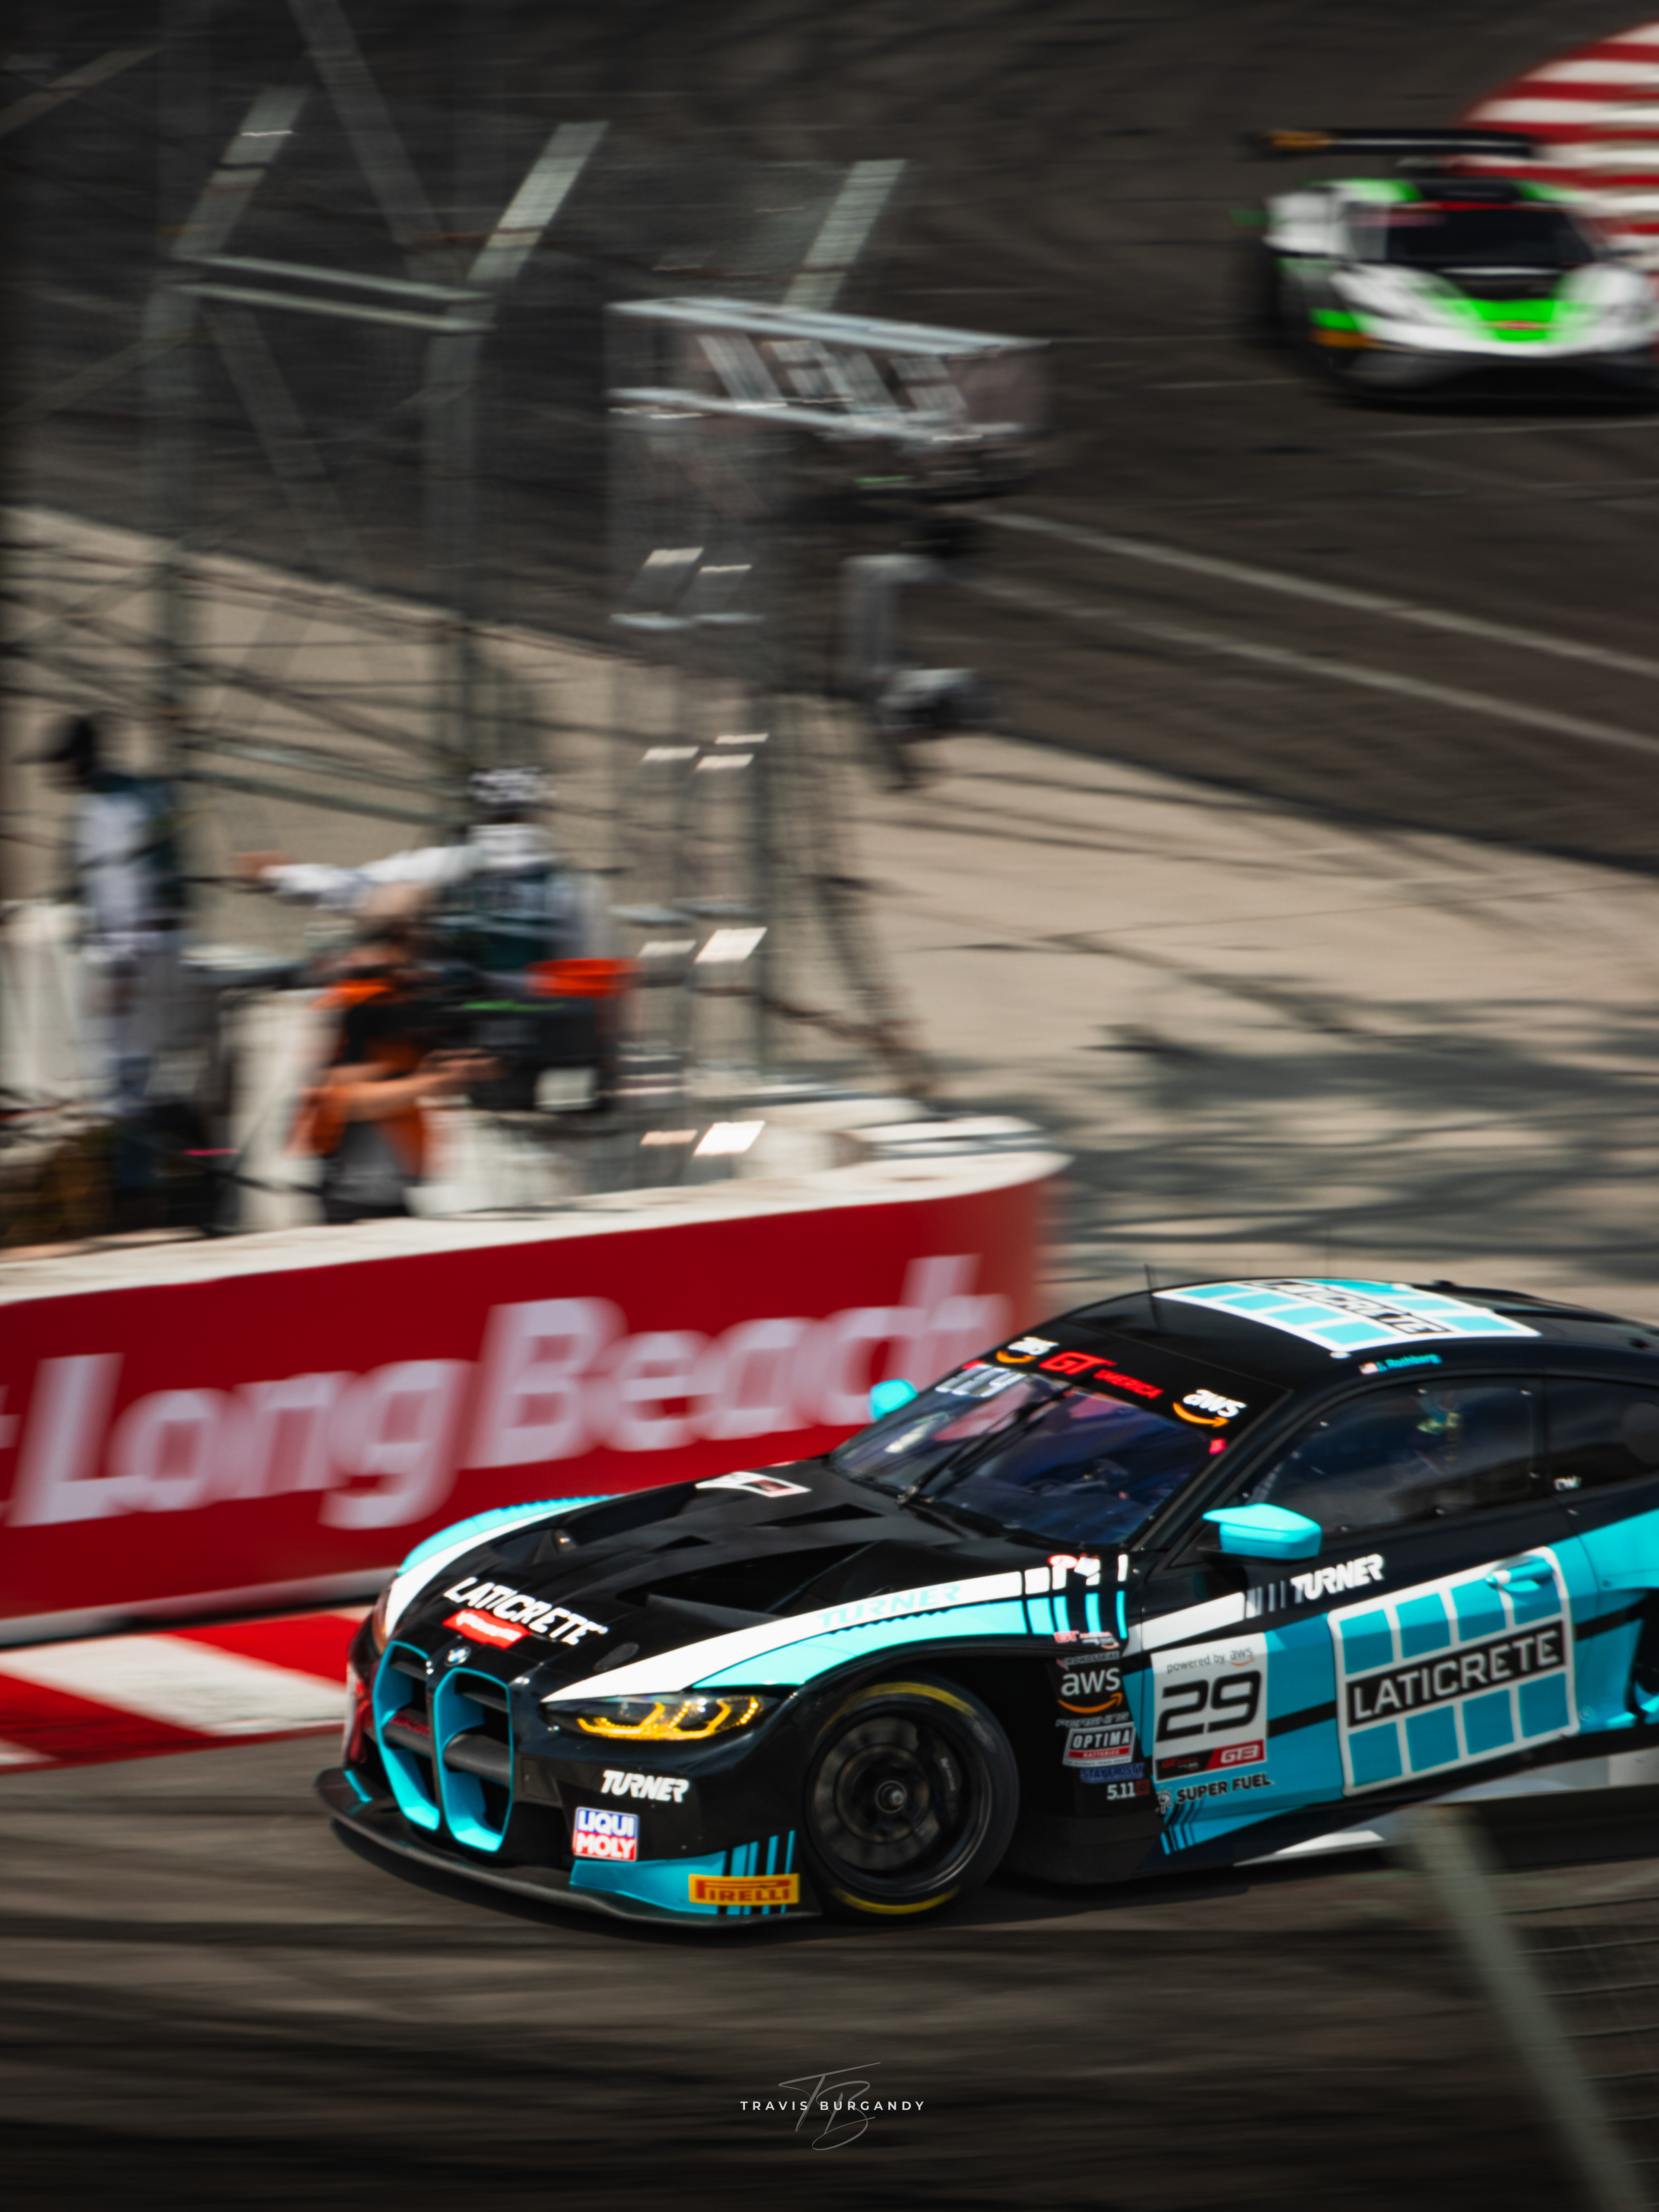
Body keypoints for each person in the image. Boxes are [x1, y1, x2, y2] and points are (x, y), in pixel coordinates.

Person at [238, 766, 601, 978]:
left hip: (453, 1036)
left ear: (482, 811)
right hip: (544, 1038)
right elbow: (590, 974)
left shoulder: (448, 865)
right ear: (539, 813)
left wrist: (280, 875)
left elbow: (356, 889)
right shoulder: (571, 888)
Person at [26, 712, 193, 1122]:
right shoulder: (133, 793)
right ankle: (136, 1138)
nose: (53, 773)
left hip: (138, 946)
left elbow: (125, 890)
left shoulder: (109, 806)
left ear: (78, 760)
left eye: (58, 762)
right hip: (156, 942)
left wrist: (121, 970)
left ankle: (130, 1151)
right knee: (137, 1061)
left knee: (123, 1065)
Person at [289, 903, 493, 1224]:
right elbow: (343, 1100)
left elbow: (421, 1079)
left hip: (395, 1194)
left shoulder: (409, 1001)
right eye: (416, 935)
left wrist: (461, 1069)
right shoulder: (359, 1004)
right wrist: (430, 1082)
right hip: (351, 1199)